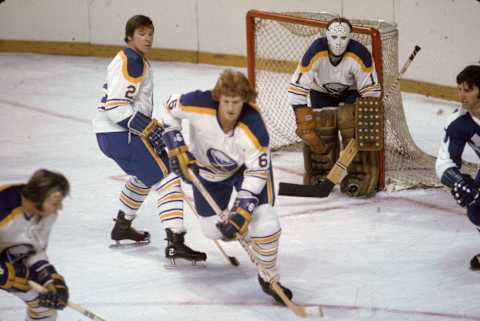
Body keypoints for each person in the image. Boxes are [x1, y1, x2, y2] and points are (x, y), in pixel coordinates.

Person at [160, 69, 293, 304]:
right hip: (208, 173)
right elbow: (169, 108)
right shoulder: (198, 103)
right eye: (227, 101)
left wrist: (242, 212)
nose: (231, 108)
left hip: (246, 172)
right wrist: (175, 142)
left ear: (246, 101)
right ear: (218, 97)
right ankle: (253, 236)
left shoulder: (255, 128)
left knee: (266, 221)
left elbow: (257, 172)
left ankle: (269, 277)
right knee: (213, 230)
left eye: (237, 102)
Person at [92, 14, 206, 264]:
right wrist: (149, 128)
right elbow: (116, 107)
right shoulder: (132, 61)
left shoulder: (129, 57)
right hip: (121, 133)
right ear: (130, 36)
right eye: (142, 33)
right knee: (168, 179)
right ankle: (176, 242)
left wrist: (148, 127)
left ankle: (122, 226)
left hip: (111, 135)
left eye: (151, 33)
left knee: (144, 177)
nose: (148, 38)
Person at [287, 17, 382, 197]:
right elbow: (297, 87)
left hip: (351, 93)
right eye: (334, 37)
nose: (338, 43)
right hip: (320, 91)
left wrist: (365, 120)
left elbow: (371, 91)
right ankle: (320, 175)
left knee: (352, 125)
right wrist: (304, 120)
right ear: (327, 36)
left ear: (350, 37)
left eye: (343, 38)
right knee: (321, 126)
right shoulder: (315, 51)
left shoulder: (360, 54)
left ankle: (359, 176)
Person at [0, 169, 70, 321]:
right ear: (37, 197)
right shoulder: (3, 203)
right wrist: (6, 274)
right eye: (55, 202)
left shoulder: (47, 215)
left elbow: (32, 252)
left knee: (45, 307)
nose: (59, 208)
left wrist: (50, 278)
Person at [436, 65, 480, 270]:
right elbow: (445, 161)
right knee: (476, 209)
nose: (462, 95)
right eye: (459, 89)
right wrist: (458, 181)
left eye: (468, 89)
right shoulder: (459, 122)